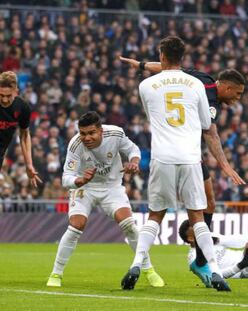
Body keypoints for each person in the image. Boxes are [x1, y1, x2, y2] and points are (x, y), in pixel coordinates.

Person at [119, 55, 246, 286]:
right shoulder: (208, 98)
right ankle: (204, 262)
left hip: (172, 154)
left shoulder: (201, 77)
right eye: (237, 94)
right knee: (199, 211)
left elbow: (168, 69)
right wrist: (225, 165)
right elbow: (211, 134)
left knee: (206, 204)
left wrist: (141, 65)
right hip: (189, 155)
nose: (237, 100)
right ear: (226, 87)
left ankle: (198, 260)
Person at [46, 111, 164, 288]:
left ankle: (148, 270)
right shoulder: (75, 144)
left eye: (91, 133)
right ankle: (56, 273)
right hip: (85, 188)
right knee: (75, 226)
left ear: (101, 130)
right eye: (83, 133)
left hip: (112, 187)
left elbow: (133, 150)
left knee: (129, 226)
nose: (86, 138)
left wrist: (134, 162)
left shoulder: (115, 134)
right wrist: (80, 180)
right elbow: (66, 177)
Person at [0, 71, 41, 187]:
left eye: (8, 96)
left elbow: (24, 135)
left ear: (16, 91)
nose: (4, 100)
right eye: (1, 95)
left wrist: (28, 164)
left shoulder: (22, 107)